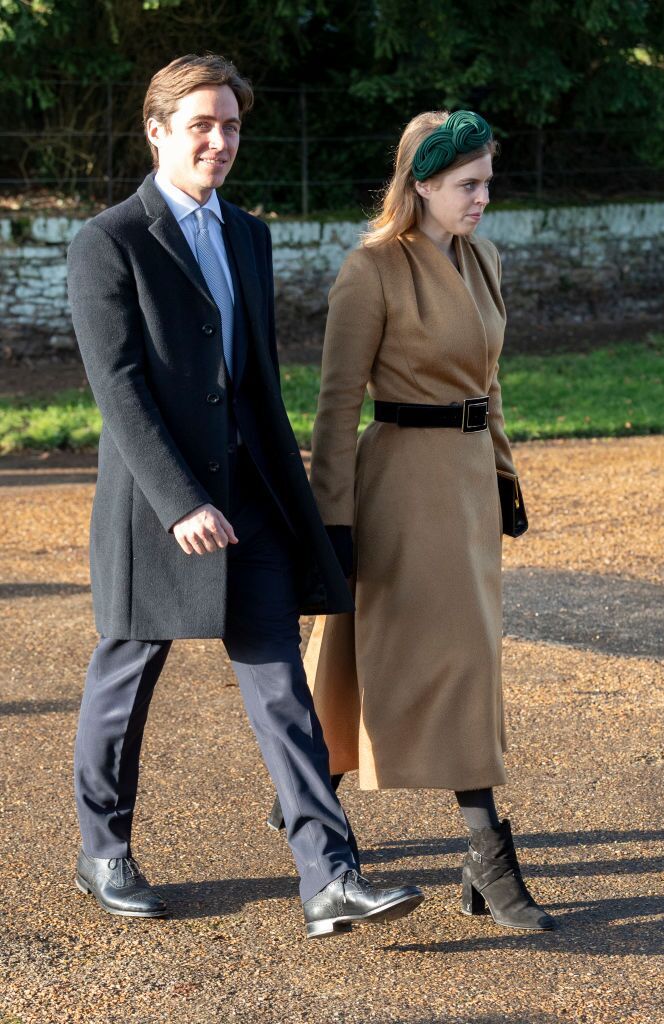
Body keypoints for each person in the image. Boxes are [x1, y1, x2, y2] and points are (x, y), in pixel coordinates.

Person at [67, 53, 423, 939]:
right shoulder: (107, 241)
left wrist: (294, 491)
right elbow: (118, 390)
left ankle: (329, 876)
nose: (220, 142)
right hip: (162, 510)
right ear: (156, 132)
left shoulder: (248, 235)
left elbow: (255, 383)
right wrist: (181, 500)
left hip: (254, 496)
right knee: (125, 678)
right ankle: (102, 851)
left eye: (230, 125)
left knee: (278, 684)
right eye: (201, 125)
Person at [271, 109, 555, 931]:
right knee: (445, 654)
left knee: (374, 643)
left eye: (487, 182)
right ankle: (487, 854)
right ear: (420, 183)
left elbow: (488, 380)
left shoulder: (483, 258)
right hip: (397, 480)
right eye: (466, 184)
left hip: (466, 484)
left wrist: (503, 470)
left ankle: (301, 792)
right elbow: (334, 404)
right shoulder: (371, 270)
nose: (481, 199)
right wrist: (331, 517)